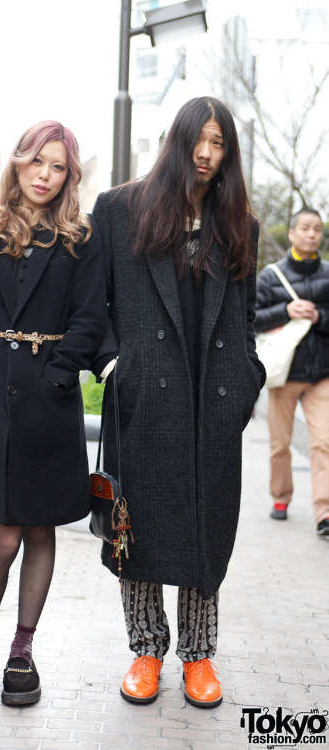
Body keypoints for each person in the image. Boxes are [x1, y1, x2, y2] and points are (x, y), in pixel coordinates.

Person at [91, 96, 265, 708]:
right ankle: (145, 650)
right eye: (200, 140)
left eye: (220, 144)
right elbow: (95, 304)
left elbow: (243, 320)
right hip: (145, 401)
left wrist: (247, 381)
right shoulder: (120, 210)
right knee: (135, 532)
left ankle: (198, 656)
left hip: (213, 403)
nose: (207, 154)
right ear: (178, 139)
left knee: (204, 530)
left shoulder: (237, 221)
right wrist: (116, 367)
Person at [0, 121, 106, 705]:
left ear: (69, 177)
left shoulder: (80, 238)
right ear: (17, 161)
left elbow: (90, 317)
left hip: (50, 404)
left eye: (58, 167)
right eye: (38, 161)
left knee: (40, 532)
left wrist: (61, 373)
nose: (45, 175)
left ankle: (22, 650)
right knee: (1, 538)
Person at [255, 207, 329, 536]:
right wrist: (285, 310)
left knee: (324, 442)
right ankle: (281, 498)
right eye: (306, 228)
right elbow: (251, 318)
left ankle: (324, 512)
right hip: (282, 374)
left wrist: (319, 318)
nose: (312, 234)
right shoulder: (271, 276)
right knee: (280, 443)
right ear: (292, 233)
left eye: (317, 229)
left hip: (321, 376)